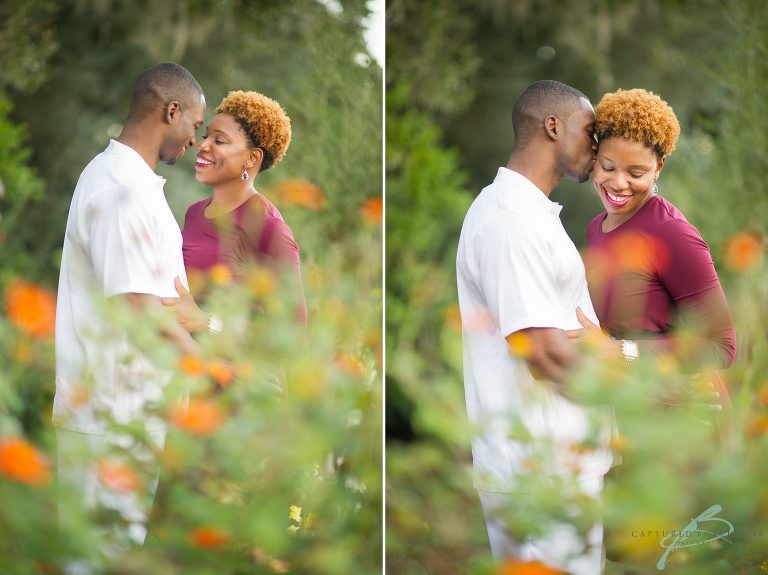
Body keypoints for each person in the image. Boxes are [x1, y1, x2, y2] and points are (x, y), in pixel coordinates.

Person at [456, 80, 613, 574]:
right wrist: (647, 392)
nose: (597, 146)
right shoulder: (508, 220)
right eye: (590, 131)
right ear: (553, 126)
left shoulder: (534, 215)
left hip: (561, 464)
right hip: (536, 471)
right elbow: (543, 353)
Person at [53, 62, 205, 569]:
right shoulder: (120, 189)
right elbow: (137, 310)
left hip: (130, 418)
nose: (194, 140)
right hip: (108, 420)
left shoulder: (134, 184)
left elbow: (163, 302)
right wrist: (217, 375)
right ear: (172, 110)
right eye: (195, 125)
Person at [573, 88, 736, 425]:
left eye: (636, 173)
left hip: (688, 417)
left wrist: (620, 351)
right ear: (594, 158)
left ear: (659, 167)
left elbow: (722, 346)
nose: (618, 183)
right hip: (634, 409)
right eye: (607, 166)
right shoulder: (594, 229)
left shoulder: (673, 233)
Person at [161, 90, 306, 336]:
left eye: (219, 141)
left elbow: (294, 335)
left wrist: (208, 322)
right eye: (205, 135)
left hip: (241, 373)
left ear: (252, 158)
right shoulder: (195, 213)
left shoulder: (269, 227)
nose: (202, 145)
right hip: (187, 368)